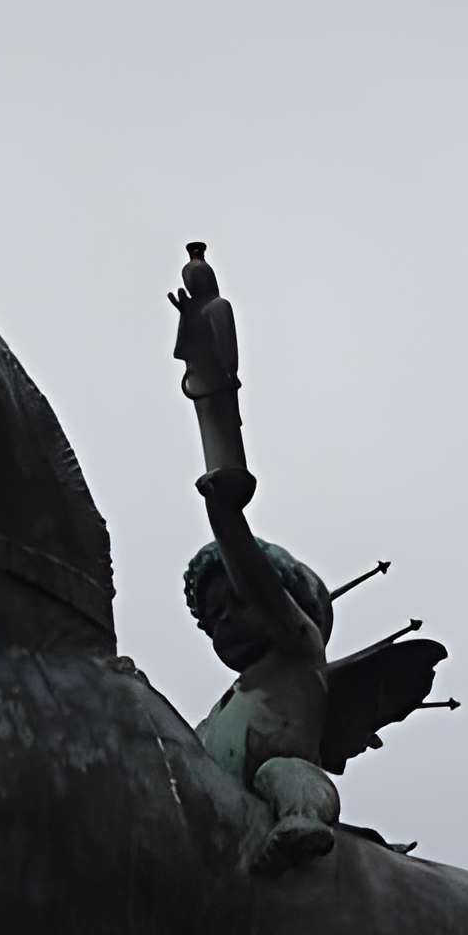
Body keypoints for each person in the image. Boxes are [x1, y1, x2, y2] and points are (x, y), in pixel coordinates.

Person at [170, 245, 342, 874]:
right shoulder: (219, 711)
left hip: (285, 784)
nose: (224, 623)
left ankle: (303, 821)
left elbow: (248, 567)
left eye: (234, 602)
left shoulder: (298, 649)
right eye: (211, 618)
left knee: (284, 773)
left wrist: (226, 513)